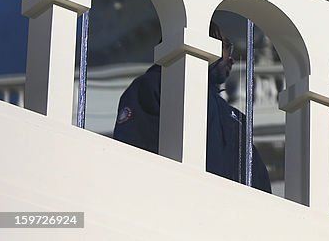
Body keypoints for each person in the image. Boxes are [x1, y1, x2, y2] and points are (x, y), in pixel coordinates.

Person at [113, 21, 272, 193]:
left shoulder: (234, 118)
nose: (232, 58)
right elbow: (133, 149)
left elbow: (257, 180)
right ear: (206, 43)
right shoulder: (155, 85)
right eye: (227, 47)